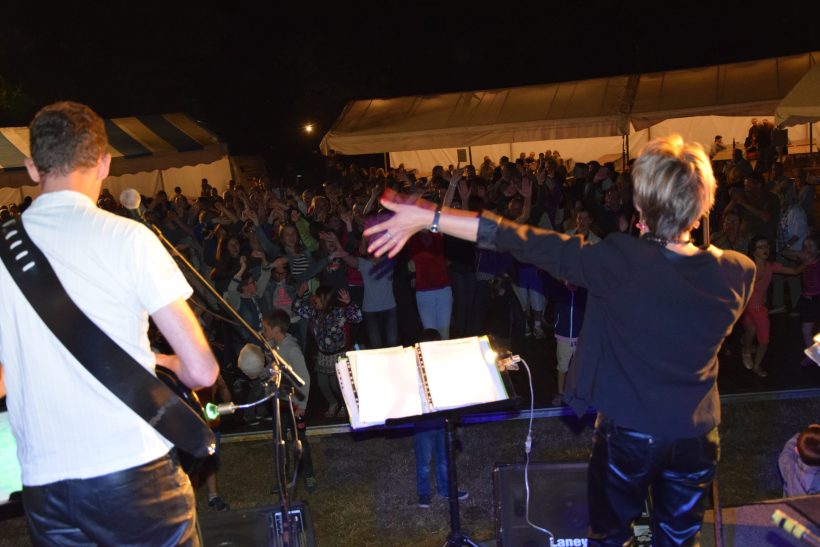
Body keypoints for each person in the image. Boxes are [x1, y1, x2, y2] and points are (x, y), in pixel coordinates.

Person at [363, 134, 755, 546]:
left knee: (609, 538)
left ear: (640, 206)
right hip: (695, 436)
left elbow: (521, 240)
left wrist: (432, 217)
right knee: (680, 540)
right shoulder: (738, 271)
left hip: (629, 436)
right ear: (706, 200)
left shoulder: (618, 261)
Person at [0, 101, 219, 545]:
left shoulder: (3, 250)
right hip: (134, 471)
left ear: (31, 168)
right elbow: (202, 371)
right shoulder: (129, 238)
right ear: (104, 164)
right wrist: (165, 361)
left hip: (45, 484)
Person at [779, 424, 820, 497]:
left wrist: (804, 434)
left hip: (792, 499)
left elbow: (787, 450)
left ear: (796, 450)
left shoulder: (787, 464)